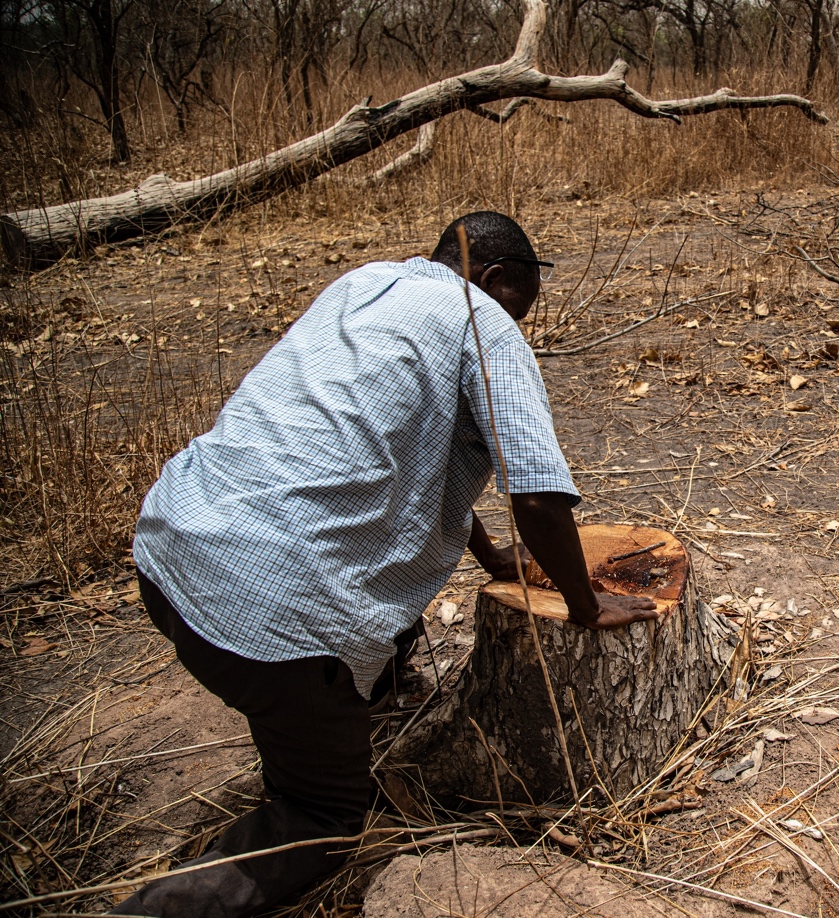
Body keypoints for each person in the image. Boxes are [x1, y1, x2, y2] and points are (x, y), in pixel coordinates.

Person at [115, 212, 658, 917]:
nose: (518, 322)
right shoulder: (485, 323)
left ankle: (363, 698)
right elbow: (540, 497)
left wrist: (492, 556)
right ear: (492, 280)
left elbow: (381, 446)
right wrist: (586, 605)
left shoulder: (365, 284)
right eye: (518, 304)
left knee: (373, 600)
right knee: (323, 822)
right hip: (271, 625)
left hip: (169, 551)